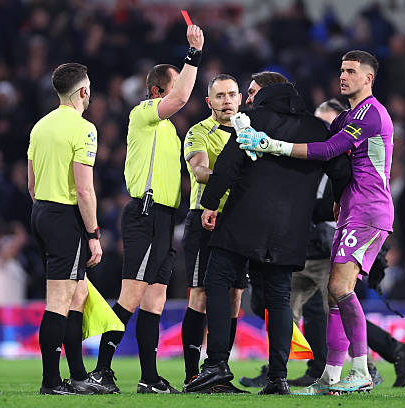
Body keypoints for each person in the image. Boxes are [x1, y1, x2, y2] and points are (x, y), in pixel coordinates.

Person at [183, 72, 351, 395]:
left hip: (243, 220)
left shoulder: (253, 120)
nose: (247, 99)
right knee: (279, 299)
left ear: (266, 94)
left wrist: (210, 204)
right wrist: (335, 203)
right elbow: (342, 170)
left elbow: (228, 165)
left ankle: (217, 364)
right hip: (290, 229)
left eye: (251, 93)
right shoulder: (316, 128)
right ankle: (278, 377)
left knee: (216, 281)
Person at [237, 50, 394, 394]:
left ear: (368, 78)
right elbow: (327, 150)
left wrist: (272, 144)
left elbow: (327, 151)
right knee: (334, 295)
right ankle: (330, 377)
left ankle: (361, 370)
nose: (343, 76)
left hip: (368, 209)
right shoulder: (347, 117)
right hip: (351, 209)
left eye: (351, 71)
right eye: (342, 70)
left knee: (340, 288)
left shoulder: (371, 113)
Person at [90, 25, 204, 394]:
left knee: (154, 301)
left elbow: (180, 97)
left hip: (165, 219)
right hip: (145, 213)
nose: (180, 91)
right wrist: (193, 54)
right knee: (131, 296)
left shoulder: (168, 129)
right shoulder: (144, 113)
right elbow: (182, 97)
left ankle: (149, 378)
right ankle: (101, 371)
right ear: (157, 92)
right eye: (173, 84)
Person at [28, 62, 103, 395]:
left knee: (79, 293)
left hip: (41, 211)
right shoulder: (84, 129)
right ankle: (51, 381)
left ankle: (78, 375)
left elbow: (31, 185)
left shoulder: (40, 126)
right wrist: (93, 234)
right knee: (59, 300)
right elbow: (84, 189)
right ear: (83, 91)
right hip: (64, 216)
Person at [181, 73, 248, 393]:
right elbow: (199, 170)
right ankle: (192, 375)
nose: (227, 101)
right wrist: (234, 176)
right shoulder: (198, 132)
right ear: (209, 102)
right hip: (204, 219)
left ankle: (219, 371)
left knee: (235, 298)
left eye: (232, 94)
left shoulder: (250, 133)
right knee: (200, 295)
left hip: (240, 223)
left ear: (241, 98)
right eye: (220, 96)